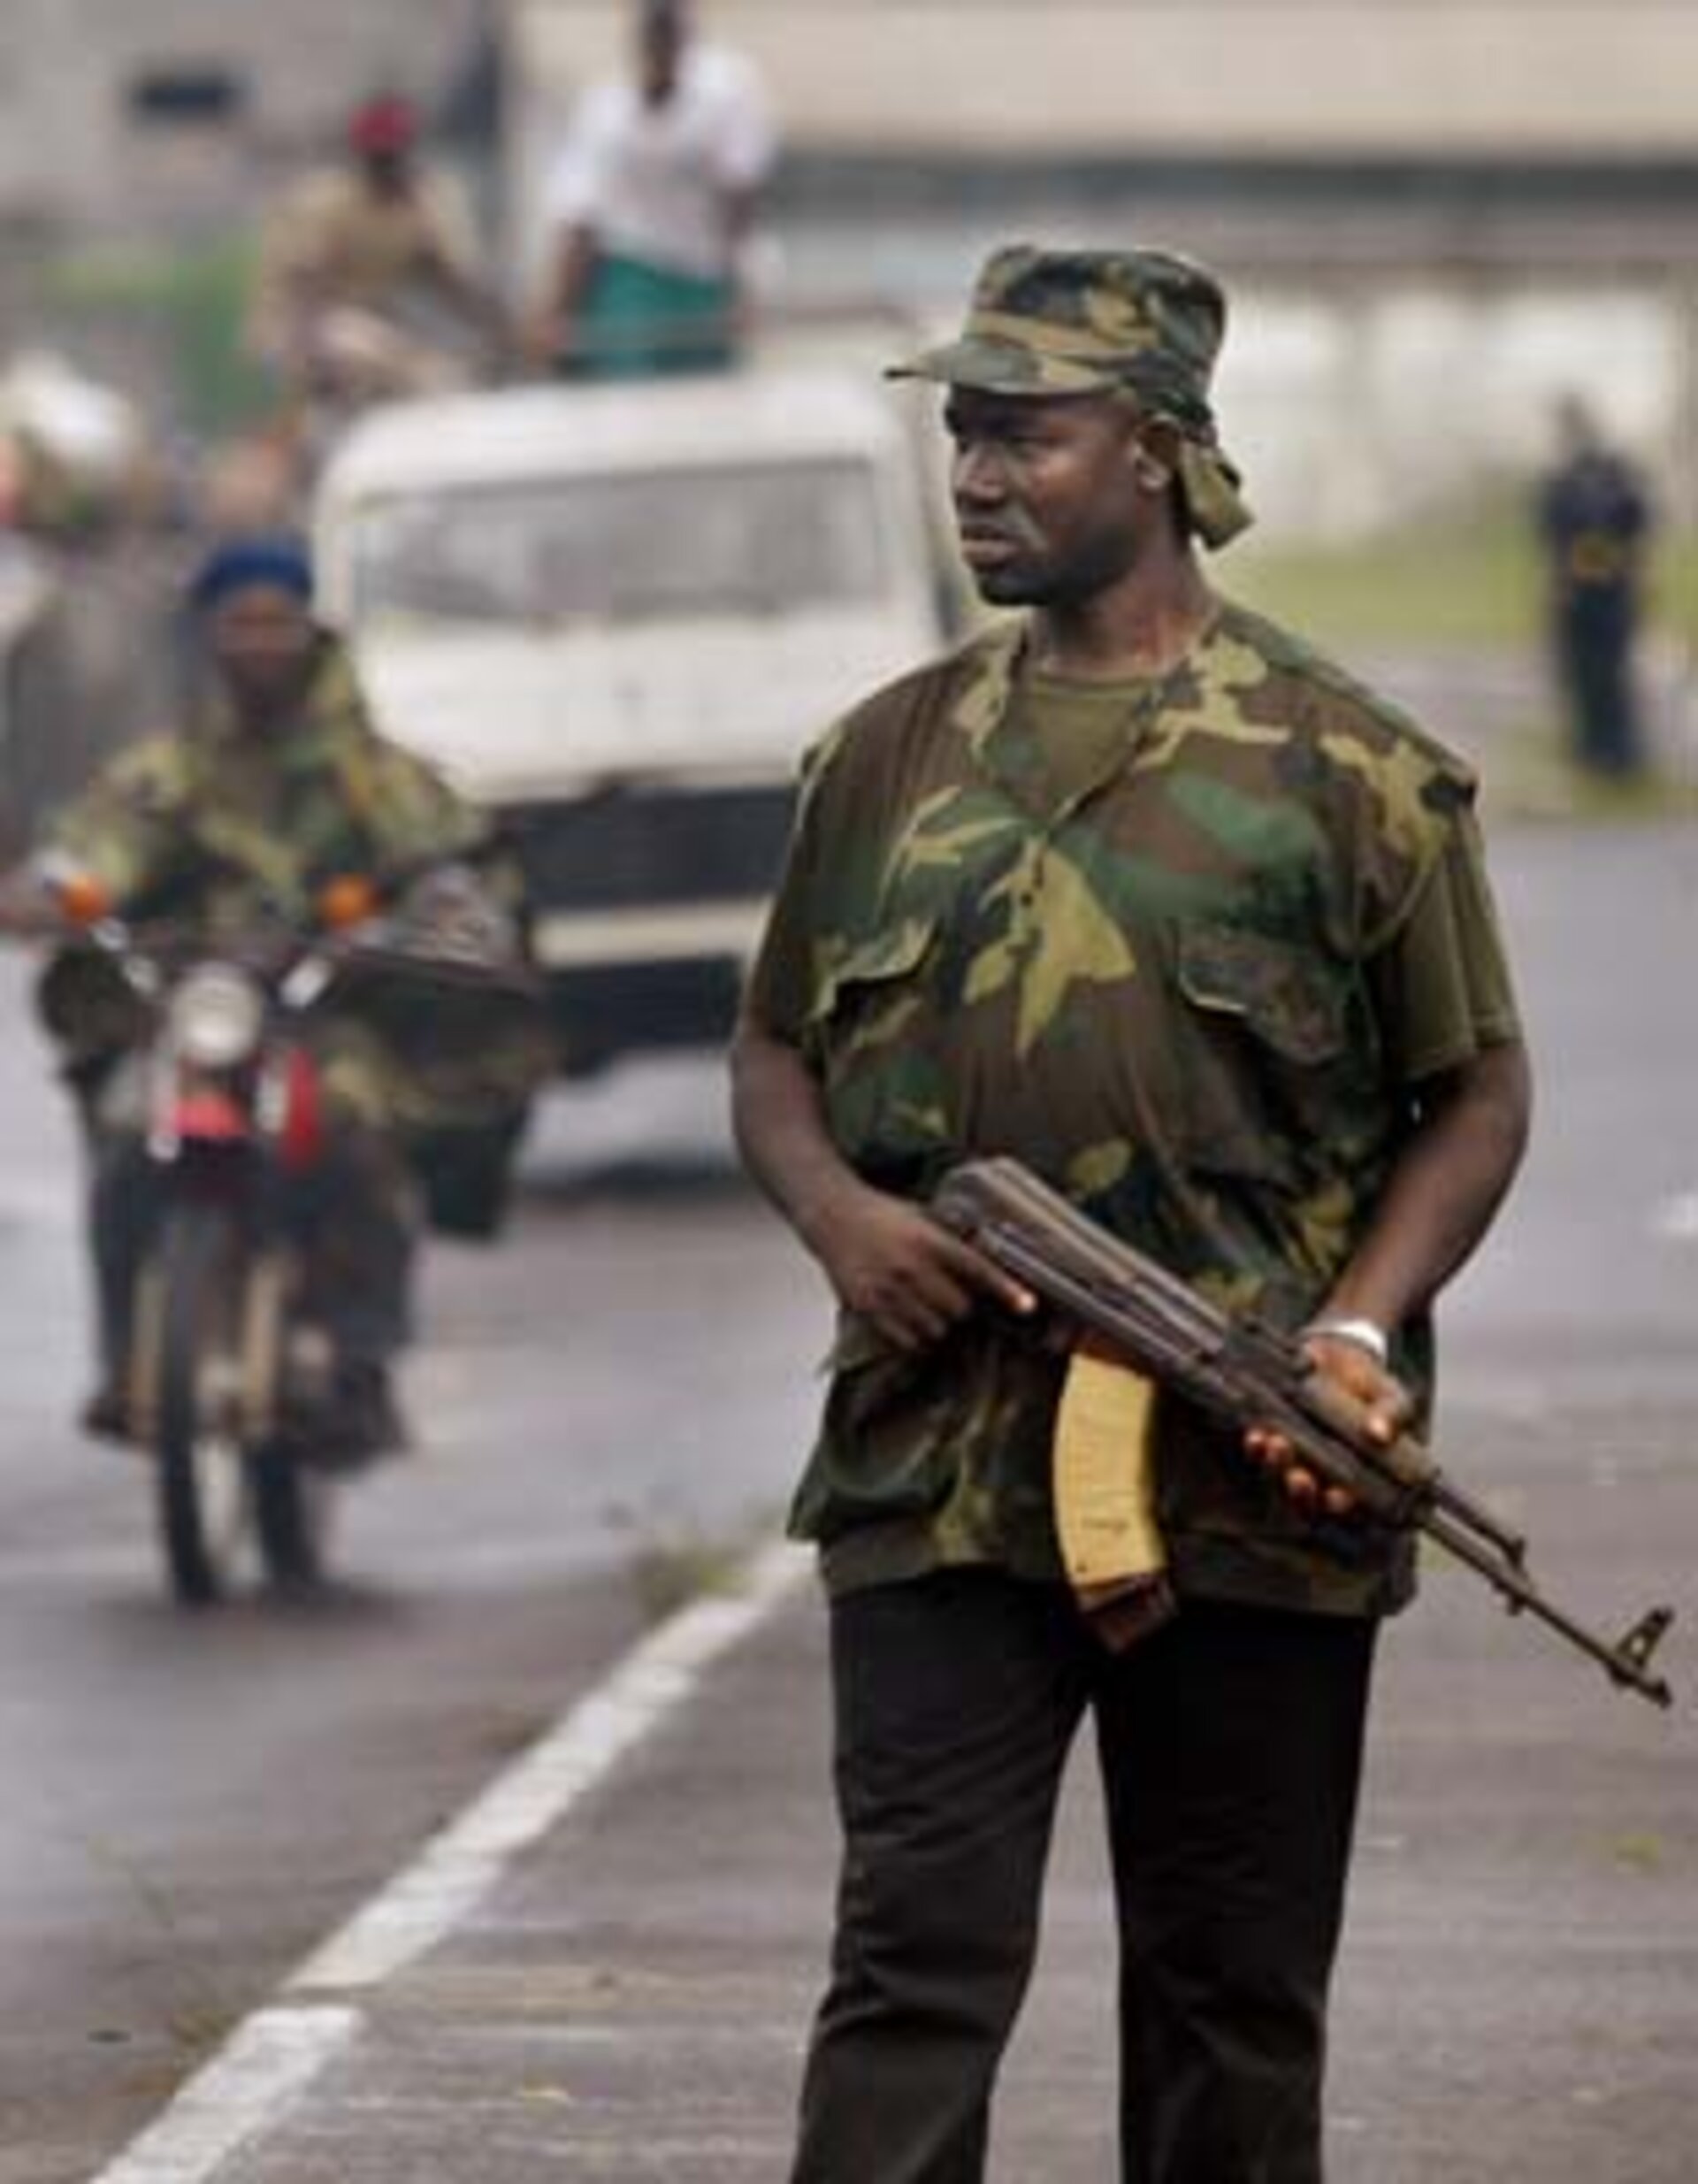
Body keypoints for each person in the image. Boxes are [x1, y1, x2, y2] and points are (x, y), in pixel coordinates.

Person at [730, 246, 1534, 2183]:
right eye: (964, 432)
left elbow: (1478, 1095)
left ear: (1159, 454)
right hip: (933, 1472)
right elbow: (770, 1054)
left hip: (1257, 1479)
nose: (979, 473)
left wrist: (1351, 1332)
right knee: (911, 1963)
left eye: (1029, 433)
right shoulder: (885, 757)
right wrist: (844, 1218)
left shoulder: (1349, 771)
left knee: (1231, 1988)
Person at [0, 535, 542, 1452]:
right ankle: (123, 1358)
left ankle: (362, 1368)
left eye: (275, 621)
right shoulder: (169, 770)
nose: (258, 641)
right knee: (129, 1141)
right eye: (238, 622)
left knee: (353, 1127)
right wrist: (56, 890)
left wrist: (443, 909)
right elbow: (97, 849)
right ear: (207, 635)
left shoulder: (374, 774)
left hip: (329, 1015)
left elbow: (449, 865)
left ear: (308, 628)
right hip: (196, 1013)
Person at [531, 0, 776, 378]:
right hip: (630, 273)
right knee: (630, 399)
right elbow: (580, 220)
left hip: (703, 275)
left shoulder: (727, 93)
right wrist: (558, 311)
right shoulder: (606, 111)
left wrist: (742, 285)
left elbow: (740, 196)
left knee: (705, 400)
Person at [248, 92, 500, 410]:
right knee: (360, 346)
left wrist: (500, 331)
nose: (386, 165)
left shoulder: (420, 202)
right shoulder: (327, 201)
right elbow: (303, 288)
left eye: (393, 155)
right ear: (361, 155)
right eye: (378, 156)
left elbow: (455, 281)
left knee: (445, 381)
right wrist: (310, 356)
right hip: (302, 329)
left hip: (377, 325)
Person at [1536, 395, 1654, 781]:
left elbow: (1636, 524)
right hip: (1576, 595)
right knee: (1581, 676)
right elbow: (1550, 538)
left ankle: (1620, 756)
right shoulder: (1561, 480)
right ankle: (1592, 755)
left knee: (1611, 676)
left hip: (1610, 595)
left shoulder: (1615, 475)